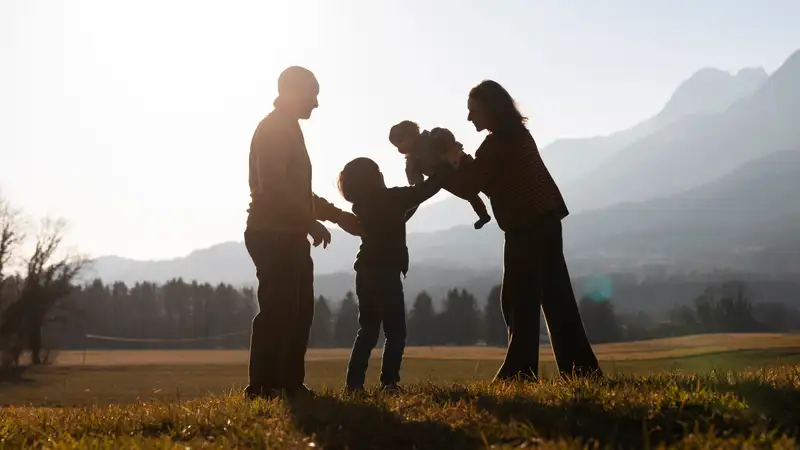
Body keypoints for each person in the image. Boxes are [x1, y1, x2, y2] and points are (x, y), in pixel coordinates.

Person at [440, 80, 602, 382]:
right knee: (556, 299)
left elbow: (473, 183)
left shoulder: (498, 144)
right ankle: (581, 371)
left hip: (527, 228)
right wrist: (461, 162)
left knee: (518, 301)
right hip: (546, 222)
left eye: (474, 111)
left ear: (491, 109)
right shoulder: (516, 137)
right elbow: (487, 177)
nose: (469, 118)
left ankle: (520, 373)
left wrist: (451, 162)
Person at [245, 66, 362, 400]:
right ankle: (263, 387)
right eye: (312, 94)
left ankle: (289, 384)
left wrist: (337, 216)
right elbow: (275, 187)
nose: (316, 103)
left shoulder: (289, 129)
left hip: (288, 233)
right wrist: (308, 221)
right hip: (271, 233)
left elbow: (298, 193)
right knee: (279, 309)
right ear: (293, 92)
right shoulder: (273, 129)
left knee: (299, 311)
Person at [336, 157, 445, 393]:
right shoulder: (392, 198)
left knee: (367, 331)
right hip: (386, 273)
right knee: (396, 331)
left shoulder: (363, 205)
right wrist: (445, 168)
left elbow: (400, 213)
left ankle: (353, 386)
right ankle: (389, 383)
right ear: (375, 177)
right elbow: (425, 191)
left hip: (365, 271)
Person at [389, 120, 492, 229]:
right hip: (447, 179)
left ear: (411, 135)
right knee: (470, 195)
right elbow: (417, 183)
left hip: (461, 163)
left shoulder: (429, 139)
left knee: (483, 183)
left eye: (400, 142)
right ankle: (483, 215)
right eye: (396, 146)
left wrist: (448, 149)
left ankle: (491, 201)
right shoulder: (412, 161)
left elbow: (446, 137)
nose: (399, 148)